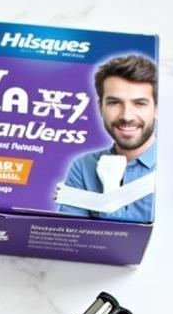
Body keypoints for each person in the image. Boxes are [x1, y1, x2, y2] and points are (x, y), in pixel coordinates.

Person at [56, 54, 157, 222]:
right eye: (114, 103)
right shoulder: (83, 166)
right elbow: (73, 236)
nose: (126, 116)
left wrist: (108, 191)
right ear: (100, 108)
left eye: (139, 103)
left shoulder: (170, 169)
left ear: (156, 109)